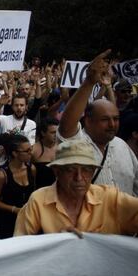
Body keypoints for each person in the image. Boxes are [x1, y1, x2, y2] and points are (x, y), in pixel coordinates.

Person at [14, 140, 138, 236]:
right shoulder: (38, 201)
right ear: (57, 171)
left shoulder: (109, 198)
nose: (79, 177)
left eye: (86, 170)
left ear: (93, 172)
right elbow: (21, 248)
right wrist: (54, 243)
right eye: (70, 169)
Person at [58, 49, 138, 196]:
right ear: (88, 121)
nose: (112, 125)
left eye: (116, 119)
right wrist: (89, 82)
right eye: (105, 120)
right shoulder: (76, 143)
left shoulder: (122, 147)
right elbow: (66, 125)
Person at [0, 134, 36, 239]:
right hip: (6, 222)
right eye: (26, 151)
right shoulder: (2, 174)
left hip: (27, 220)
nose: (30, 153)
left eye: (31, 149)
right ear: (15, 153)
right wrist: (14, 209)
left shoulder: (31, 169)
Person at [32, 117, 59, 188]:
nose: (56, 135)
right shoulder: (33, 150)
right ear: (43, 133)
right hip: (40, 190)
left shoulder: (62, 148)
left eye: (57, 132)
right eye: (53, 132)